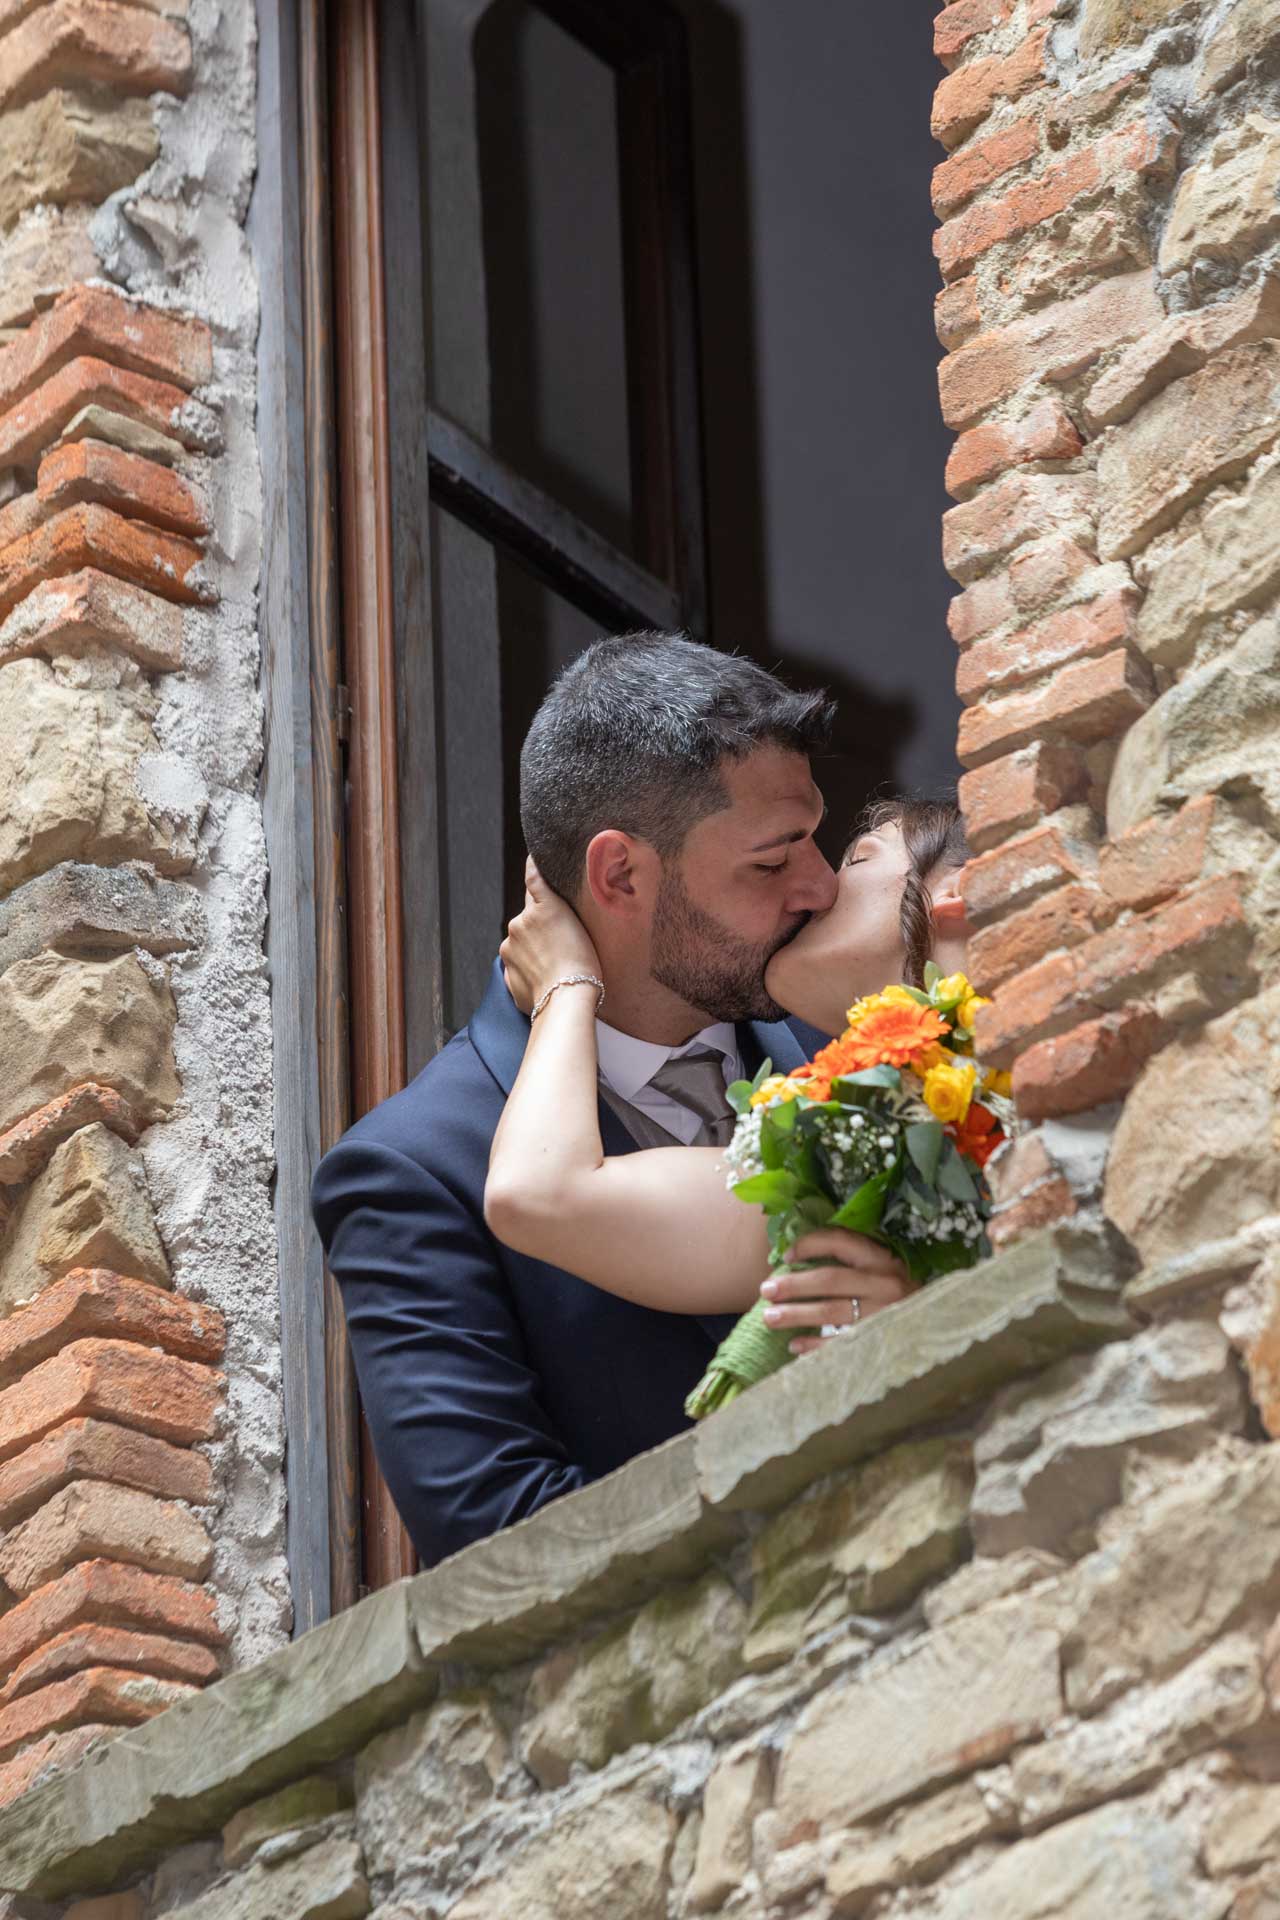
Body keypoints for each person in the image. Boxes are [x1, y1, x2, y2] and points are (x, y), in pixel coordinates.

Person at [314, 633, 911, 1568]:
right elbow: (498, 1534)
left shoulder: (858, 1032)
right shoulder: (414, 1171)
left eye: (817, 837)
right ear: (621, 875)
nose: (821, 883)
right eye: (771, 860)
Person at [488, 797, 969, 1356]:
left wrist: (565, 982)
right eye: (771, 861)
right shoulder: (894, 1127)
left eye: (859, 860)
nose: (820, 889)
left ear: (962, 891)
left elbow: (539, 1191)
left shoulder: (900, 1133)